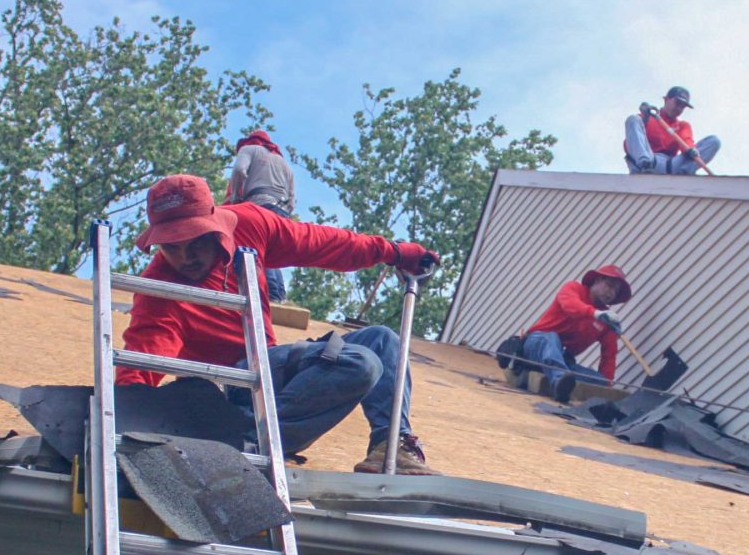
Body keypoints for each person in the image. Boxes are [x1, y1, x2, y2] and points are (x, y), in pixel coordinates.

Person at [118, 174, 440, 474]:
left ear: (213, 224)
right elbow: (140, 366)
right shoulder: (159, 292)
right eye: (172, 247)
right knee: (359, 363)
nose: (186, 257)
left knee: (381, 341)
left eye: (195, 242)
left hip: (269, 371)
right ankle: (240, 444)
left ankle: (392, 447)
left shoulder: (250, 224)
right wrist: (115, 425)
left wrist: (394, 253)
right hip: (226, 397)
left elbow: (326, 243)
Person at [509, 266, 633, 401]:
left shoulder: (606, 321)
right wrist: (595, 314)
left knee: (600, 380)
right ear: (597, 280)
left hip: (562, 359)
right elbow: (570, 305)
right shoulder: (573, 288)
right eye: (610, 286)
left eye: (616, 291)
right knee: (551, 338)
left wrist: (606, 388)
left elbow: (609, 355)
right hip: (536, 344)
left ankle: (560, 377)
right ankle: (558, 381)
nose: (611, 293)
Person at [224, 128, 298, 302]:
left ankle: (272, 296)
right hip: (282, 211)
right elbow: (293, 198)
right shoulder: (284, 164)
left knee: (258, 250)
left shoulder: (249, 150)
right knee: (273, 254)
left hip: (259, 205)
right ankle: (280, 296)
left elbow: (240, 170)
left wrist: (235, 199)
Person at [624, 87, 721, 175]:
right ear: (666, 99)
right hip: (650, 161)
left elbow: (686, 141)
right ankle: (644, 165)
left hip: (671, 166)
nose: (678, 108)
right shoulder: (646, 119)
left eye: (682, 106)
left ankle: (684, 173)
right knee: (633, 119)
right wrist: (645, 119)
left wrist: (691, 150)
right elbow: (628, 145)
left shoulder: (683, 126)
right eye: (677, 103)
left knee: (714, 141)